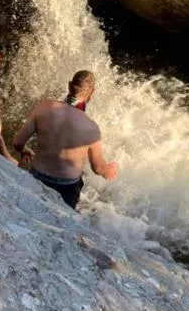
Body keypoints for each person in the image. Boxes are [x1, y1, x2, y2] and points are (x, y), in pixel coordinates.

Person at [12, 70, 117, 209]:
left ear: (69, 86)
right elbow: (98, 168)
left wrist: (25, 151)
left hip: (37, 177)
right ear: (91, 93)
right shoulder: (91, 128)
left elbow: (18, 142)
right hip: (66, 188)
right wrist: (108, 170)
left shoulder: (43, 107)